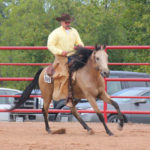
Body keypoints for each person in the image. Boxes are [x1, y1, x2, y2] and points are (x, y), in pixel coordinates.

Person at [47, 13, 84, 107]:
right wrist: (60, 52)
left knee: (85, 68)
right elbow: (50, 45)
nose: (68, 23)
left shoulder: (74, 31)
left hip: (72, 55)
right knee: (65, 75)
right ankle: (68, 97)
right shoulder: (55, 33)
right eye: (66, 22)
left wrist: (80, 46)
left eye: (69, 22)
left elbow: (79, 41)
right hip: (61, 58)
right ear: (61, 22)